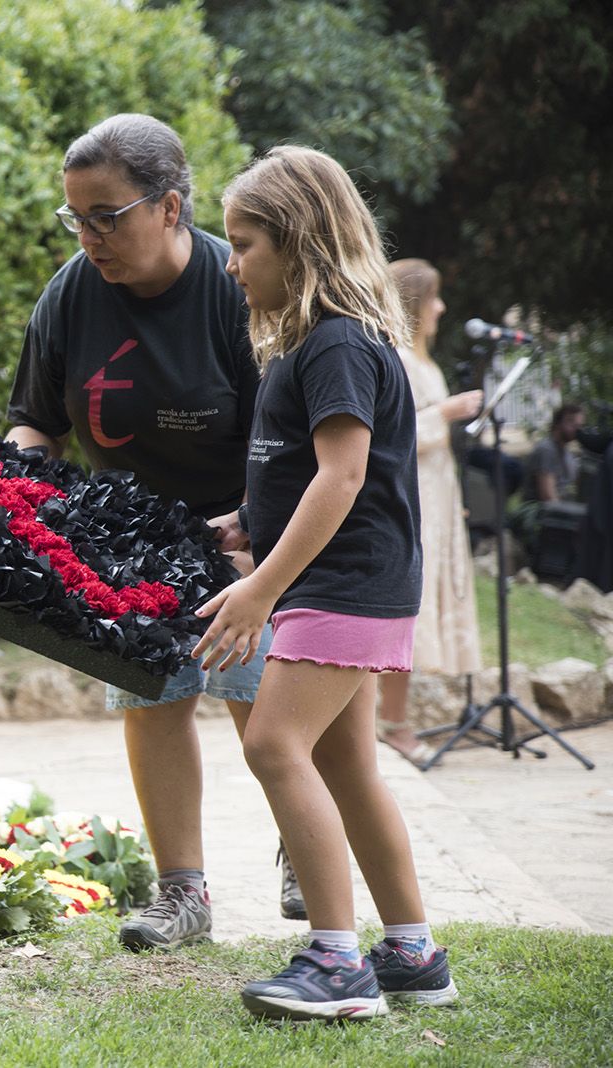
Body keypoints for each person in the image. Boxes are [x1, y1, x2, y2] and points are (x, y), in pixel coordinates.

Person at [4, 113, 281, 951]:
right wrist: (19, 500)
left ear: (168, 207)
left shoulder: (237, 288)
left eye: (106, 216)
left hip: (249, 534)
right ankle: (181, 895)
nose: (89, 237)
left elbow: (292, 433)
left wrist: (258, 539)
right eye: (75, 218)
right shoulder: (71, 292)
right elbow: (34, 422)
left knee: (261, 701)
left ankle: (306, 852)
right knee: (154, 703)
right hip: (132, 541)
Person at [197, 145, 457, 1021]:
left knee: (273, 745)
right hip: (345, 582)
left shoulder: (339, 341)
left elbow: (343, 478)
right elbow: (307, 470)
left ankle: (338, 964)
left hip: (342, 587)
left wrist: (260, 587)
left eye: (244, 244)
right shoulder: (314, 344)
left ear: (300, 242)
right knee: (348, 767)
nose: (230, 263)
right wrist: (247, 520)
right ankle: (413, 955)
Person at [375, 259, 484, 765]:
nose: (441, 307)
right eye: (434, 297)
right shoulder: (396, 356)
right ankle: (391, 721)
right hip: (412, 497)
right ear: (416, 302)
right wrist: (446, 412)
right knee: (407, 608)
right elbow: (393, 435)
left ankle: (397, 717)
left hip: (437, 495)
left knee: (424, 605)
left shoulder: (426, 361)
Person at [523, 403, 586, 503]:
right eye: (572, 423)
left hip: (560, 511)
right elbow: (548, 498)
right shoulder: (546, 450)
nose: (577, 430)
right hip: (539, 513)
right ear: (557, 423)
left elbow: (580, 485)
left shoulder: (567, 454)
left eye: (579, 426)